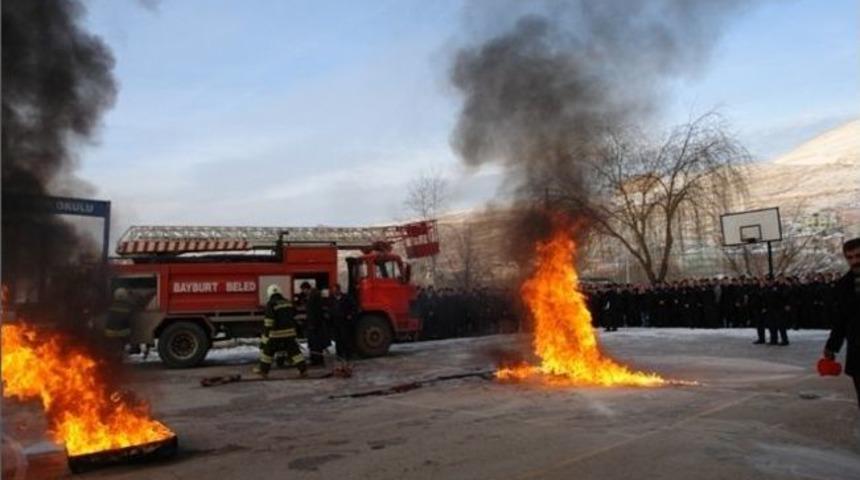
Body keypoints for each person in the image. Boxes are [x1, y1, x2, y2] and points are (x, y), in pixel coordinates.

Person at [823, 237, 860, 408]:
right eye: (850, 257)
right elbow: (841, 320)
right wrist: (831, 346)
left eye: (858, 256)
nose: (855, 261)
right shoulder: (844, 285)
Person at [254, 284, 307, 378]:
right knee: (295, 352)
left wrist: (266, 336)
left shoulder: (271, 304)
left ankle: (263, 371)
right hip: (290, 333)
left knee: (268, 352)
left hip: (276, 334)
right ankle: (303, 370)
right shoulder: (287, 302)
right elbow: (294, 312)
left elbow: (269, 322)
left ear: (269, 293)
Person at [104, 288, 135, 356]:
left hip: (109, 332)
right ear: (125, 296)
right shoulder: (129, 306)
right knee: (130, 329)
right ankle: (125, 349)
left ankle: (113, 354)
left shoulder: (110, 305)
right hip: (122, 333)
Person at [330, 283, 356, 360]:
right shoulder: (331, 299)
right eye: (333, 290)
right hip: (335, 322)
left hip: (344, 321)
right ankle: (339, 355)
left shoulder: (346, 298)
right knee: (338, 340)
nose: (334, 292)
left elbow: (353, 307)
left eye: (335, 290)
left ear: (339, 290)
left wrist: (350, 315)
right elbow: (329, 308)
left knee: (346, 338)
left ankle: (348, 355)